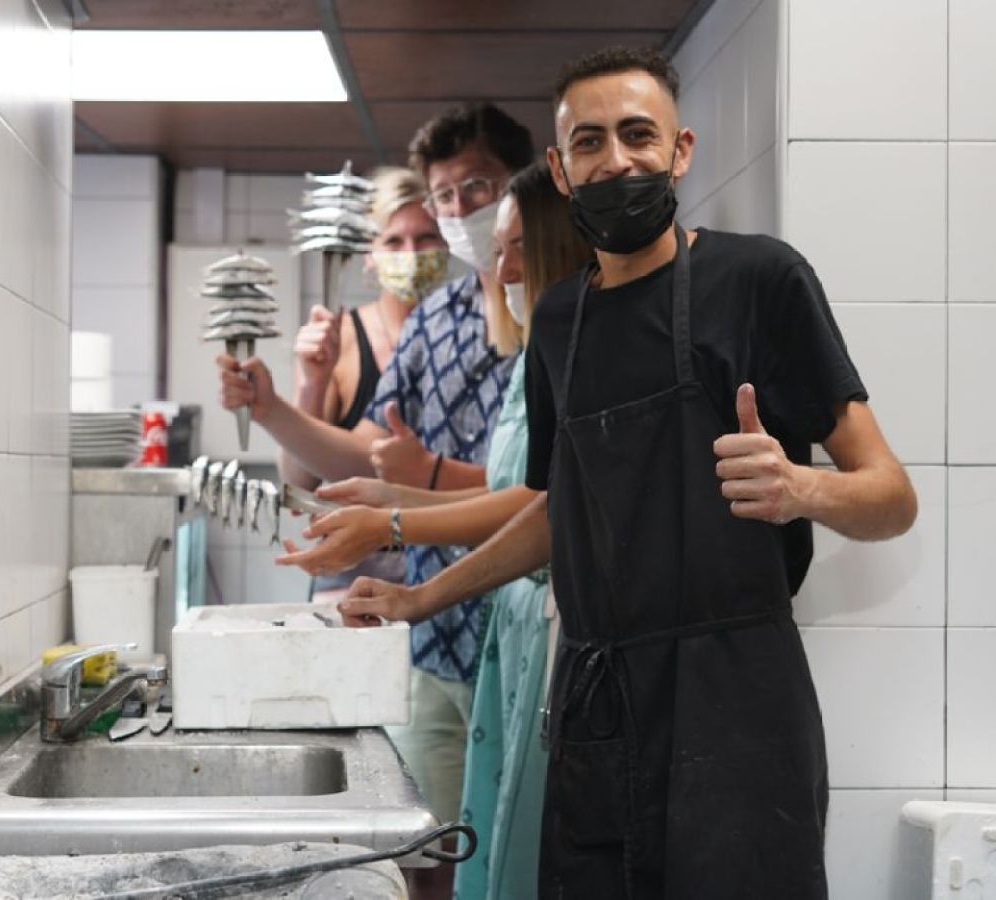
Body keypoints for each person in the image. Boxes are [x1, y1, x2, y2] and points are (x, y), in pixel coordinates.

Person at [338, 46, 918, 899]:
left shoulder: (760, 280)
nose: (617, 161)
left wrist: (804, 488)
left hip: (738, 698)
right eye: (591, 142)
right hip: (597, 701)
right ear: (559, 170)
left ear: (681, 150)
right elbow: (557, 509)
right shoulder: (561, 320)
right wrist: (420, 596)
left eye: (638, 136)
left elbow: (891, 497)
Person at [276, 161, 592, 900]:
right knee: (477, 845)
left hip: (549, 630)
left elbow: (543, 506)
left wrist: (394, 522)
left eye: (514, 247)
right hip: (494, 638)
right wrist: (391, 494)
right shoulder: (532, 359)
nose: (498, 265)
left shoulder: (578, 352)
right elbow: (510, 487)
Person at [218, 103, 535, 828]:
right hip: (429, 639)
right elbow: (371, 449)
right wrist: (274, 409)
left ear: (522, 183)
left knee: (510, 850)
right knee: (424, 847)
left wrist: (412, 488)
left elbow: (545, 490)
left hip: (517, 626)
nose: (461, 210)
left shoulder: (560, 313)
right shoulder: (436, 316)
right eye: (445, 195)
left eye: (479, 187)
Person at [280, 167, 449, 601]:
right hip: (351, 578)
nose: (410, 253)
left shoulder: (472, 336)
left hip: (449, 573)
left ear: (447, 243)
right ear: (368, 253)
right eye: (393, 240)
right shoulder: (342, 340)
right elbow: (297, 479)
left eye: (425, 238)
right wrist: (312, 384)